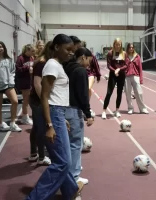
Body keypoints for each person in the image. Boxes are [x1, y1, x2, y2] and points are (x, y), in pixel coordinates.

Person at [26, 34, 83, 200]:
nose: (71, 53)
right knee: (62, 162)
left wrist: (60, 118)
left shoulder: (57, 65)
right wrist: (50, 124)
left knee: (61, 160)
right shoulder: (52, 65)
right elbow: (44, 96)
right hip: (53, 115)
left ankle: (71, 192)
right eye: (68, 49)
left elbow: (53, 97)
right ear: (57, 47)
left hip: (57, 114)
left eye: (73, 50)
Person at [64, 47, 94, 185]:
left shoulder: (65, 66)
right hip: (73, 110)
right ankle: (74, 177)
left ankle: (65, 174)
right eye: (88, 60)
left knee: (66, 144)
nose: (89, 64)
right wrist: (88, 114)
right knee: (76, 144)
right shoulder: (80, 71)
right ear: (82, 57)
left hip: (61, 109)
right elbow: (83, 94)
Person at [0, 41, 21, 132]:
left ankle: (12, 123)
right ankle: (1, 123)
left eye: (1, 47)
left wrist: (11, 81)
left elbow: (12, 71)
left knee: (15, 101)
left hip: (8, 85)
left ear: (4, 48)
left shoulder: (9, 60)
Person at [28, 41, 53, 165]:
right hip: (37, 100)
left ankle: (34, 153)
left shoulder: (45, 62)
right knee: (41, 128)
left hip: (36, 99)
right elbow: (37, 84)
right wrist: (44, 100)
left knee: (37, 127)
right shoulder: (42, 63)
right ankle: (42, 157)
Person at [101, 38, 127, 119]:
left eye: (119, 44)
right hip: (113, 75)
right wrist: (114, 70)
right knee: (109, 93)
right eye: (116, 44)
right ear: (114, 44)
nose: (118, 46)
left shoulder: (124, 54)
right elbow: (109, 65)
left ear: (121, 45)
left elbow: (126, 65)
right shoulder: (110, 53)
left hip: (121, 75)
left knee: (119, 93)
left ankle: (117, 110)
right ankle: (104, 111)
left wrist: (119, 69)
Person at [125, 43, 149, 114]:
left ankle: (142, 108)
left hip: (136, 76)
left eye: (132, 47)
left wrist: (141, 79)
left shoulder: (137, 56)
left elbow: (140, 68)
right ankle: (130, 108)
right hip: (127, 77)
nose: (131, 49)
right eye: (130, 47)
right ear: (128, 48)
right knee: (128, 93)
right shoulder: (125, 56)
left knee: (139, 92)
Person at [15, 44, 35, 125]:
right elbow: (17, 69)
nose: (33, 52)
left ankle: (25, 116)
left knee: (29, 100)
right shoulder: (20, 58)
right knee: (26, 100)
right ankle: (24, 117)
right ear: (27, 51)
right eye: (32, 51)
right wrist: (27, 68)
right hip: (24, 82)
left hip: (30, 81)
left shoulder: (31, 58)